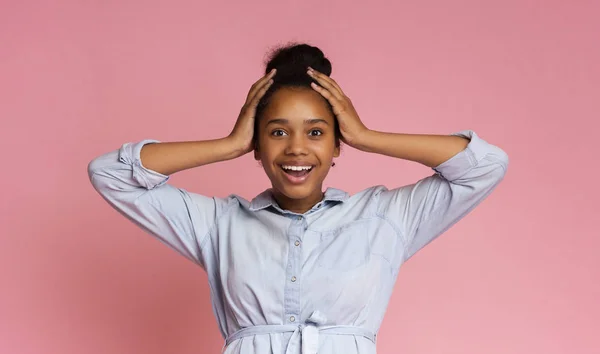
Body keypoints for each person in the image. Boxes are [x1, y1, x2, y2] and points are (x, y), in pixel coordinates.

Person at [88, 43, 509, 354]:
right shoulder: (220, 225)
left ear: (336, 144)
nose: (296, 149)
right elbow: (110, 174)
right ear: (258, 145)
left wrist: (366, 136)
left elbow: (484, 165)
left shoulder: (385, 217)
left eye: (315, 132)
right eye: (276, 132)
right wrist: (229, 143)